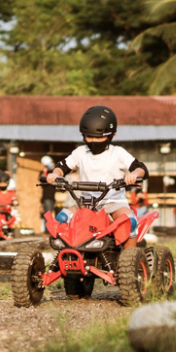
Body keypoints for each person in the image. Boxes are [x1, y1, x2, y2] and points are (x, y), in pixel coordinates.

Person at [45, 105, 148, 250]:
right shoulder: (80, 152)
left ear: (112, 136)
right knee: (62, 218)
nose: (94, 141)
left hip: (114, 203)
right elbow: (62, 167)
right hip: (85, 203)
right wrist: (55, 175)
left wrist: (134, 175)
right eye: (89, 136)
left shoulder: (118, 153)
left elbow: (140, 168)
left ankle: (130, 261)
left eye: (99, 137)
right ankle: (66, 257)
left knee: (129, 221)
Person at [39, 156, 56, 233]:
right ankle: (47, 231)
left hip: (53, 197)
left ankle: (51, 230)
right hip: (47, 197)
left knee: (52, 215)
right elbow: (40, 178)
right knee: (48, 214)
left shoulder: (53, 173)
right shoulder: (44, 173)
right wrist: (45, 170)